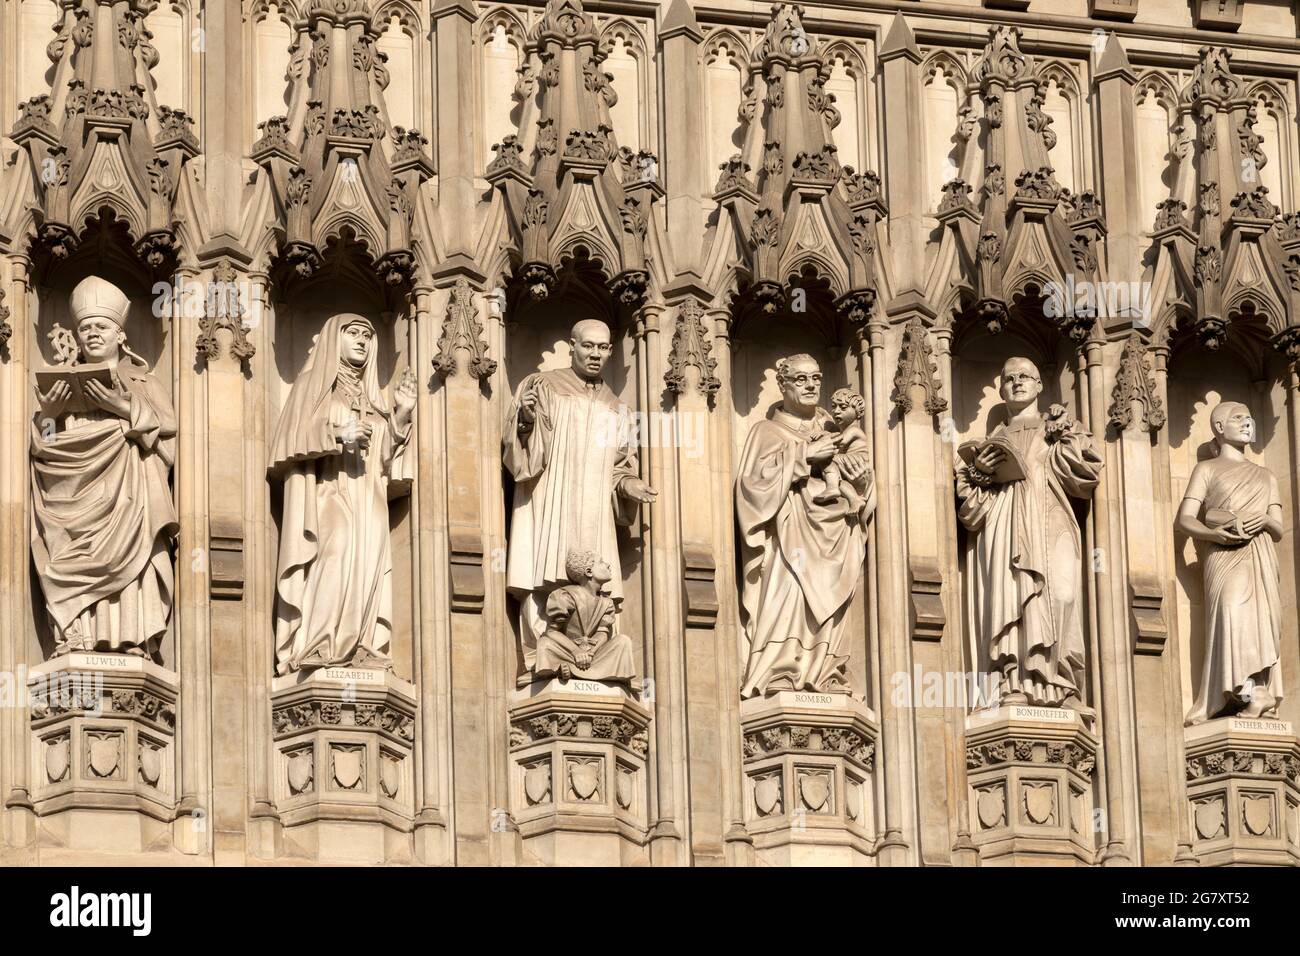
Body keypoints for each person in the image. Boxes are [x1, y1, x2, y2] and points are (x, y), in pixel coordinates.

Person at [31, 275, 178, 658]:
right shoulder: (61, 383)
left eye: (101, 326)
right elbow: (43, 449)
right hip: (72, 494)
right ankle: (76, 636)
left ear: (120, 334)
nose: (92, 334)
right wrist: (50, 413)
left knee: (131, 551)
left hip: (128, 498)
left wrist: (122, 407)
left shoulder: (144, 382)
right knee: (63, 553)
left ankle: (130, 639)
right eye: (85, 328)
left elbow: (170, 445)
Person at [503, 318, 656, 680]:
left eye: (604, 348)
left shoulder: (617, 407)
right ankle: (540, 658)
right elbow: (518, 453)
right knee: (543, 574)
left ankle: (595, 658)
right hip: (549, 501)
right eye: (588, 346)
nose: (596, 355)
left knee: (594, 584)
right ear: (571, 346)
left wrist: (629, 484)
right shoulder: (541, 386)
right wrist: (525, 421)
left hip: (593, 511)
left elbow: (619, 465)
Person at [269, 313, 416, 675]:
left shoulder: (372, 398)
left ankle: (360, 644)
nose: (362, 341)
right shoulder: (312, 386)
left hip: (369, 494)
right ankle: (318, 642)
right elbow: (289, 443)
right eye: (353, 334)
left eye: (367, 336)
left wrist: (400, 415)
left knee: (369, 562)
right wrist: (337, 436)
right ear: (334, 339)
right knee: (335, 550)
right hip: (329, 491)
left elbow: (385, 461)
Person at [955, 356, 1103, 712]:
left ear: (1040, 385)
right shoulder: (994, 439)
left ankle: (1061, 683)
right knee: (1009, 600)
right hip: (1004, 530)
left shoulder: (1059, 428)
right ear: (1002, 389)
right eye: (1009, 379)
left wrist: (1065, 436)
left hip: (1051, 523)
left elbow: (1086, 475)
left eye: (1026, 377)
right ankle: (1013, 682)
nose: (1017, 382)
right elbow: (971, 510)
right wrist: (979, 472)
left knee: (1063, 594)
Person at [735, 354, 875, 699]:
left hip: (836, 535)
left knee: (830, 602)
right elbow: (751, 488)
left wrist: (861, 484)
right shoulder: (766, 431)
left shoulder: (838, 432)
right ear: (783, 385)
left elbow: (865, 490)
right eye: (800, 379)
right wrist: (803, 458)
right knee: (790, 595)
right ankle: (781, 668)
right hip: (789, 537)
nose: (811, 385)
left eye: (816, 378)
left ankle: (825, 670)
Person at [1175, 401, 1283, 724]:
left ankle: (1256, 692)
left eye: (1250, 417)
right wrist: (1215, 533)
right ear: (1220, 428)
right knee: (1230, 615)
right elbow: (1184, 520)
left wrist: (1262, 519)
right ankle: (1246, 693)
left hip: (1259, 554)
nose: (1249, 423)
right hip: (1223, 555)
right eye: (1240, 418)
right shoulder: (1206, 470)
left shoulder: (1266, 475)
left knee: (1260, 625)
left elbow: (1278, 528)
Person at [534, 549, 638, 688]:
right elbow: (552, 631)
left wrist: (591, 653)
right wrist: (576, 651)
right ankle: (565, 668)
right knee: (544, 644)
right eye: (601, 562)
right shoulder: (565, 596)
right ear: (589, 572)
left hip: (593, 654)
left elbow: (603, 632)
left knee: (622, 642)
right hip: (568, 651)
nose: (608, 565)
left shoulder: (607, 603)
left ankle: (573, 670)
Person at [814, 387, 871, 512]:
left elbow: (840, 442)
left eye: (843, 407)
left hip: (857, 460)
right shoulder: (843, 430)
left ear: (858, 412)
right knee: (837, 479)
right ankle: (854, 499)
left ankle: (832, 487)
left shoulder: (853, 429)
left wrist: (825, 435)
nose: (836, 411)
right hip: (849, 462)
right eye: (834, 407)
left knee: (825, 460)